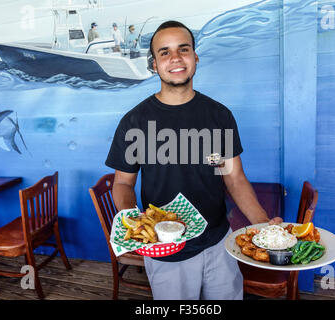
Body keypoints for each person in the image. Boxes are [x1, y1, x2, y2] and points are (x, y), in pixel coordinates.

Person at [105, 20, 282, 300]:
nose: (175, 58)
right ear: (154, 64)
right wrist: (134, 220)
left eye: (183, 49)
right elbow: (123, 184)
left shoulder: (219, 116)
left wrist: (261, 223)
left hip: (219, 241)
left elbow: (234, 178)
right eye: (164, 52)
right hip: (167, 250)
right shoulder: (134, 122)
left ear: (195, 57)